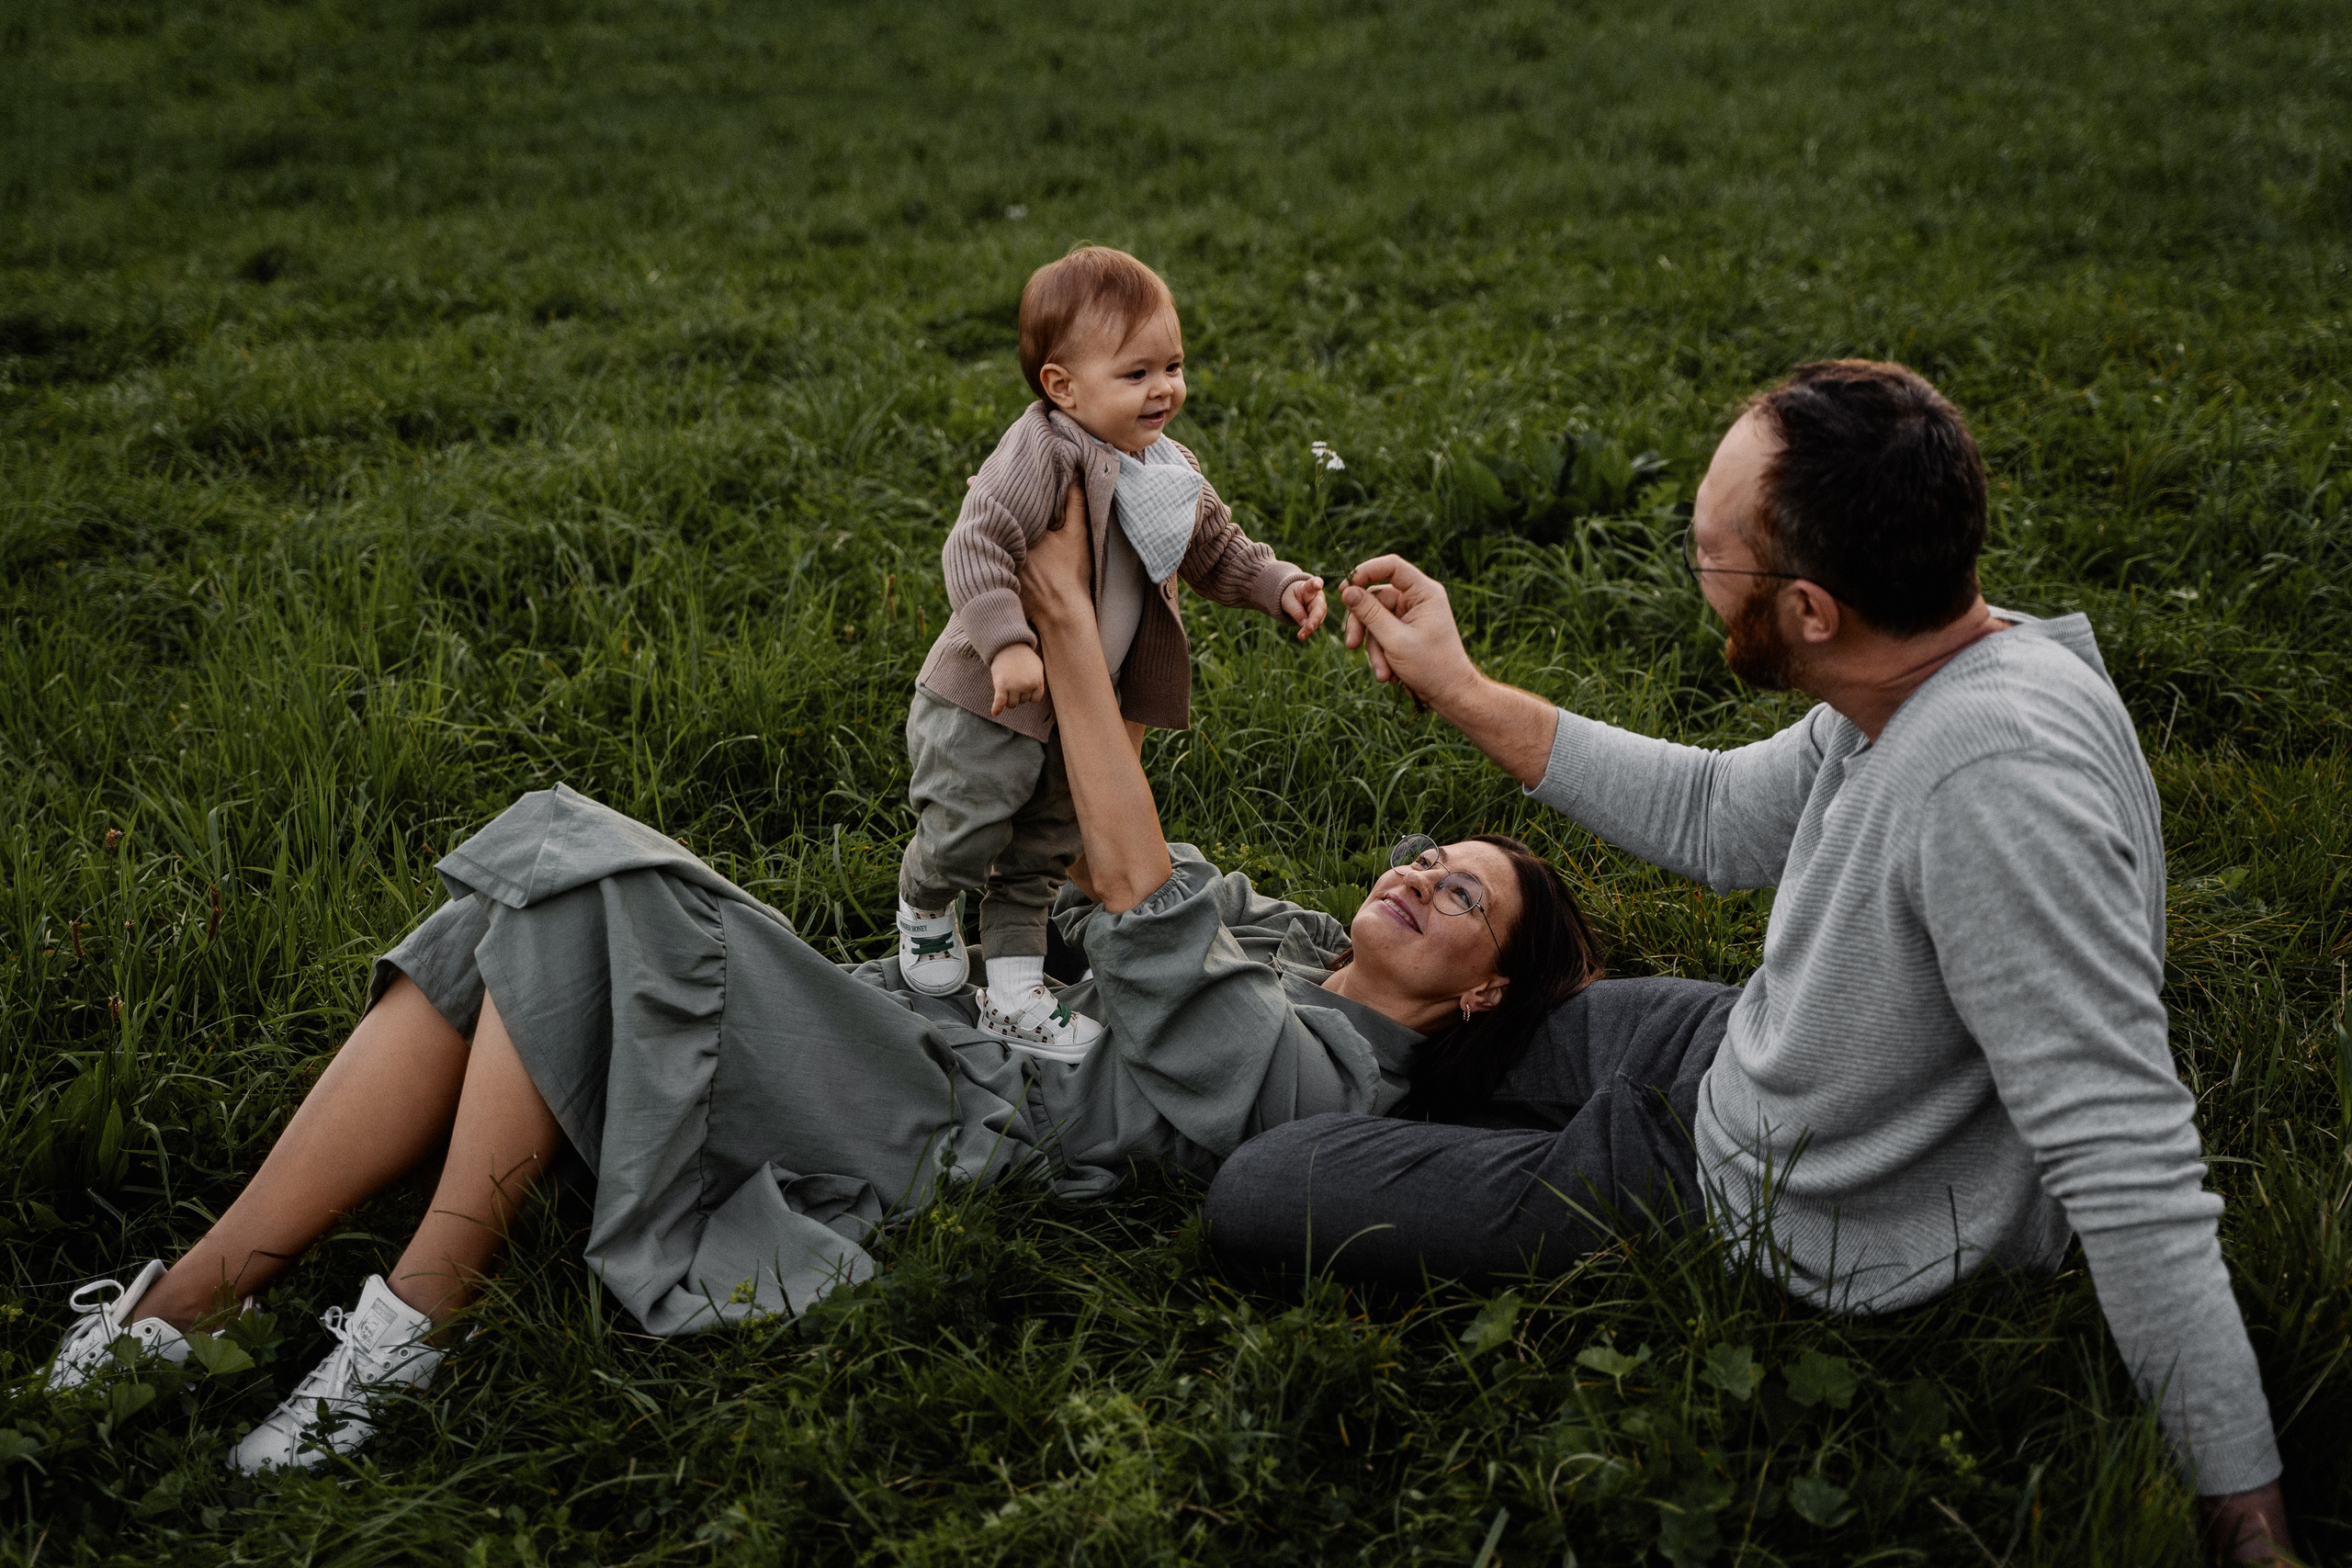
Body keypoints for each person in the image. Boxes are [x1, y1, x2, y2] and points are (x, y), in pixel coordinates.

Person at [42, 491, 1595, 1480]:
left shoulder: (1338, 1088)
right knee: (509, 916)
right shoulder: (1286, 929)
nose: (1417, 873)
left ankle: (412, 1315)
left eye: (1463, 892)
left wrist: (1068, 629)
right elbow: (1087, 872)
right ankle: (201, 1293)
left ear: (1477, 995)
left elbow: (1133, 887)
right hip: (895, 1022)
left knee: (596, 881)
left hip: (925, 1115)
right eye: (1427, 847)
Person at [1203, 361, 2294, 1562]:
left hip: (1789, 1200)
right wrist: (1460, 690)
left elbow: (2125, 1152)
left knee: (1269, 1180)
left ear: (1814, 608)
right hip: (1760, 1049)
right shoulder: (1929, 665)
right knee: (1462, 1031)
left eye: (1712, 555)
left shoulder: (1995, 796)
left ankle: (1528, 1153)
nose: (1695, 576)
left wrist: (2245, 1517)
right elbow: (1723, 814)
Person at [894, 244, 1327, 1056]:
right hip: (989, 702)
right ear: (1063, 386)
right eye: (1136, 374)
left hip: (1074, 715)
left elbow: (1216, 547)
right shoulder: (1045, 450)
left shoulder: (1166, 469)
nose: (1164, 388)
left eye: (1173, 365)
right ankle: (923, 906)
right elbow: (975, 542)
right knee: (968, 827)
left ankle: (1017, 993)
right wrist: (1007, 644)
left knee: (1044, 851)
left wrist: (1278, 583)